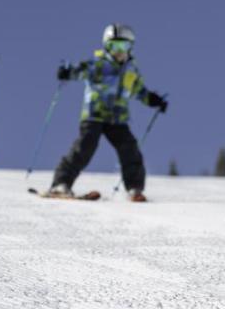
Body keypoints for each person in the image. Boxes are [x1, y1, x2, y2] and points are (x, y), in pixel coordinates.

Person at [48, 23, 168, 202]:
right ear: (107, 46)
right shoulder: (98, 64)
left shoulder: (131, 71)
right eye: (114, 46)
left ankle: (134, 189)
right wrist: (67, 72)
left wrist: (154, 100)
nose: (119, 51)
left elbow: (139, 91)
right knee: (85, 147)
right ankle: (61, 183)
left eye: (124, 46)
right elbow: (80, 71)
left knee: (130, 149)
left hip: (118, 119)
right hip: (94, 115)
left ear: (130, 48)